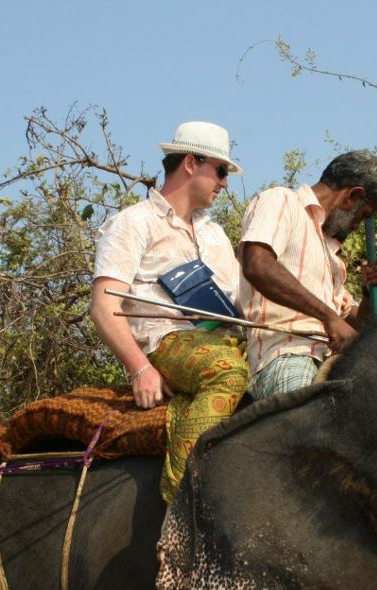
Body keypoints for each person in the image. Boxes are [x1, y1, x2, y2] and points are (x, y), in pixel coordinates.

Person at [89, 121, 248, 503]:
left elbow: (244, 302)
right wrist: (140, 369)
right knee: (227, 372)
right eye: (221, 170)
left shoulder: (215, 234)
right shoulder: (133, 223)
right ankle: (183, 498)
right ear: (191, 163)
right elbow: (103, 307)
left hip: (228, 338)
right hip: (170, 341)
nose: (225, 183)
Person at [238, 150, 377, 399]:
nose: (357, 226)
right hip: (285, 356)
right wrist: (328, 317)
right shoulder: (282, 200)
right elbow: (257, 264)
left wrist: (368, 293)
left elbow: (351, 323)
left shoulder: (331, 253)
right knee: (311, 410)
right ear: (352, 196)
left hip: (330, 362)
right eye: (363, 215)